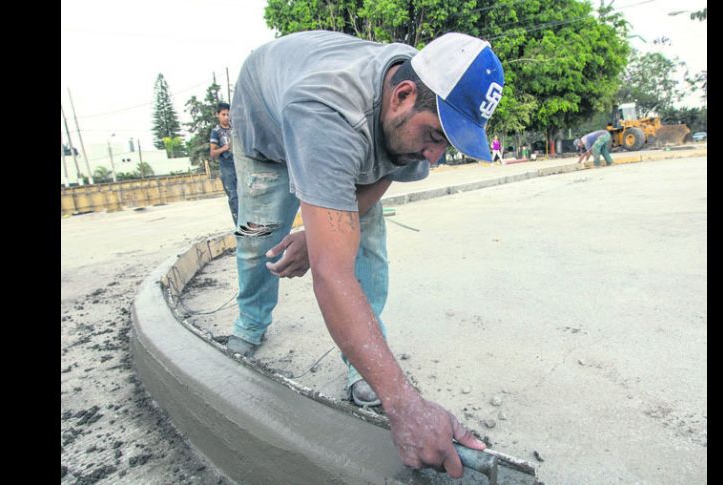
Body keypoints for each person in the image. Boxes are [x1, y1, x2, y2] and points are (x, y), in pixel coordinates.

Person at [227, 30, 503, 476]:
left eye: (445, 146)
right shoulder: (328, 110)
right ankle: (250, 320)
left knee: (366, 242)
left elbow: (390, 165)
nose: (432, 159)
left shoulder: (424, 94)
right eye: (434, 136)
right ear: (402, 95)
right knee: (262, 234)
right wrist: (405, 405)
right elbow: (332, 273)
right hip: (268, 125)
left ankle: (363, 362)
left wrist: (321, 232)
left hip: (349, 127)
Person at [210, 102, 238, 224]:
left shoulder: (235, 128)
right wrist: (225, 148)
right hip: (227, 167)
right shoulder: (216, 132)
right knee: (234, 196)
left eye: (228, 114)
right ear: (218, 115)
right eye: (223, 114)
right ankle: (240, 225)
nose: (226, 117)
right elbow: (213, 153)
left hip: (240, 164)